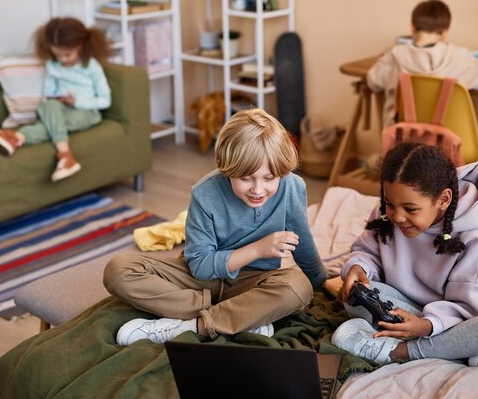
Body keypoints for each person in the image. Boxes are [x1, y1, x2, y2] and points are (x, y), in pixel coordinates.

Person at [105, 108, 329, 345]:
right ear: (227, 169)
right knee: (118, 269)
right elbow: (201, 266)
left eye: (269, 178)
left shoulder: (292, 187)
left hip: (252, 282)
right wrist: (258, 249)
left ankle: (191, 326)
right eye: (246, 178)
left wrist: (321, 279)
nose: (258, 189)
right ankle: (241, 317)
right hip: (199, 277)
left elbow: (302, 240)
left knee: (298, 288)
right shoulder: (205, 193)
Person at [331, 142, 478, 377]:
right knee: (355, 297)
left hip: (466, 312)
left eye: (410, 209)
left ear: (443, 199)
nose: (397, 216)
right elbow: (368, 251)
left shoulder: (477, 237)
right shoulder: (388, 214)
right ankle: (475, 348)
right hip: (408, 303)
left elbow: (464, 305)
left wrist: (427, 326)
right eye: (389, 204)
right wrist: (359, 267)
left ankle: (401, 351)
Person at [0, 17, 111, 181]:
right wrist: (56, 100)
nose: (62, 60)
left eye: (67, 55)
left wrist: (77, 102)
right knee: (48, 106)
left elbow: (105, 100)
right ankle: (63, 156)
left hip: (87, 113)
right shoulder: (52, 66)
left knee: (50, 122)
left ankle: (15, 138)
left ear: (81, 46)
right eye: (58, 55)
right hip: (59, 110)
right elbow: (48, 93)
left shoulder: (91, 66)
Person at [367, 0, 478, 126]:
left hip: (400, 141)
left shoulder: (394, 56)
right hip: (442, 140)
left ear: (412, 27)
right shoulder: (456, 58)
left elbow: (373, 81)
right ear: (446, 31)